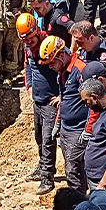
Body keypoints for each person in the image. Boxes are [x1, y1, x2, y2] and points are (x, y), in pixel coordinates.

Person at [41, 36, 90, 194]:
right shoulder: (62, 71)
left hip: (79, 130)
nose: (50, 67)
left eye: (52, 62)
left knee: (74, 170)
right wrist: (58, 122)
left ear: (61, 56)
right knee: (72, 168)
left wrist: (88, 129)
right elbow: (65, 99)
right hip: (67, 130)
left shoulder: (81, 70)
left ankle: (79, 205)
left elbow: (95, 103)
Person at [19, 13, 60, 194]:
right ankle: (43, 166)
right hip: (38, 100)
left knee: (49, 139)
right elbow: (27, 65)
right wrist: (29, 86)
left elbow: (66, 67)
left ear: (36, 30)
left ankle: (47, 177)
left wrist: (62, 96)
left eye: (30, 38)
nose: (29, 42)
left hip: (51, 102)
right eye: (25, 40)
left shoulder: (50, 45)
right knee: (39, 137)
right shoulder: (28, 47)